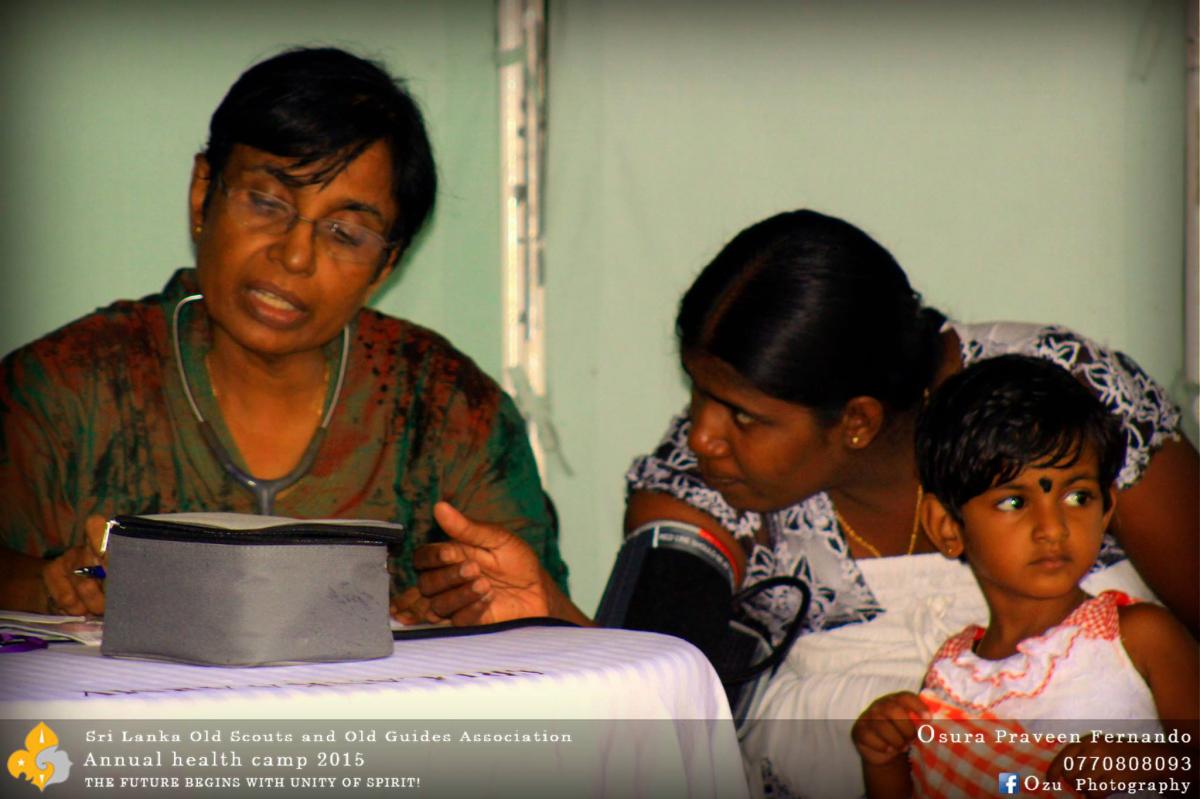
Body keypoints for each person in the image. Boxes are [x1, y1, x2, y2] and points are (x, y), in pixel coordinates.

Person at [413, 209, 1196, 795]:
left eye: (743, 414)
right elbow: (657, 721)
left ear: (854, 422)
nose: (701, 435)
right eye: (698, 393)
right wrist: (552, 617)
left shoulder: (1063, 398)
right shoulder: (695, 484)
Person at [0, 47, 580, 624]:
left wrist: (534, 612)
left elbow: (585, 660)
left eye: (345, 233)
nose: (296, 255)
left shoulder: (450, 411)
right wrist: (52, 586)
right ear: (204, 193)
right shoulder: (65, 386)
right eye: (267, 202)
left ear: (385, 265)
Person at [851, 355, 1198, 799]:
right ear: (947, 528)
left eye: (1078, 496)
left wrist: (1140, 763)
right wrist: (883, 760)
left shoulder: (1137, 638)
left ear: (1107, 508)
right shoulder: (950, 682)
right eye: (1014, 503)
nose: (1052, 528)